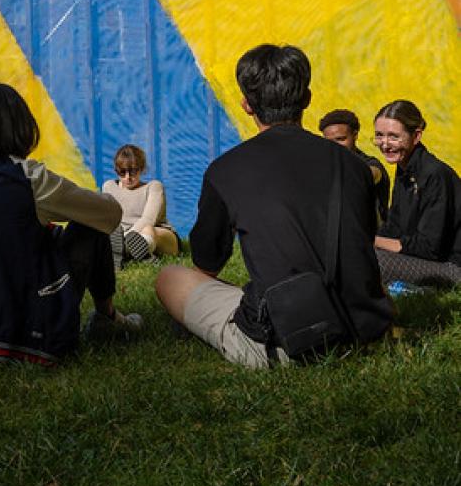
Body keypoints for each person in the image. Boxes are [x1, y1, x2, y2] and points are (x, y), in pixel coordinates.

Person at [155, 44, 392, 368]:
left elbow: (206, 267)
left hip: (291, 341)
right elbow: (363, 247)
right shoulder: (353, 166)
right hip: (365, 328)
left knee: (170, 276)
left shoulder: (226, 170)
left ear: (246, 104)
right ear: (307, 99)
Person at [0, 83, 142, 364]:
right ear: (19, 128)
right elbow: (109, 214)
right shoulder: (26, 177)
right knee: (89, 223)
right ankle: (106, 318)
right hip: (25, 338)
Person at [373, 100, 461, 287]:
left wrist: (372, 241)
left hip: (451, 267)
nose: (385, 144)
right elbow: (393, 227)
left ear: (416, 136)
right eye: (379, 135)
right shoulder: (404, 168)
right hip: (423, 259)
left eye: (394, 136)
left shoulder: (434, 175)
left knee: (373, 262)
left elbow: (430, 248)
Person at [102, 144, 180, 267]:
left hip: (160, 236)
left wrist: (123, 242)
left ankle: (125, 252)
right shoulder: (109, 187)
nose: (128, 177)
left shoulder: (153, 187)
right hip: (120, 236)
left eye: (132, 171)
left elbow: (148, 219)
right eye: (122, 172)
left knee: (147, 229)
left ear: (142, 169)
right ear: (116, 170)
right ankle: (143, 256)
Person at [318, 109, 390, 222]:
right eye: (329, 142)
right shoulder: (326, 166)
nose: (335, 146)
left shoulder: (371, 164)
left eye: (341, 139)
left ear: (355, 135)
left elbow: (370, 174)